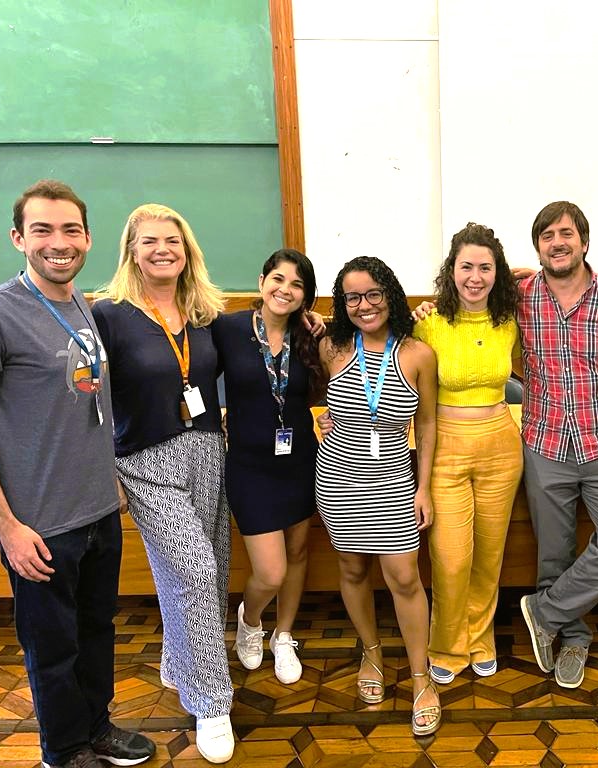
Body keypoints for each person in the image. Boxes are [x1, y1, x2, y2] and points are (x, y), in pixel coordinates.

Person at [0, 180, 156, 768]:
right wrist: (6, 526)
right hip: (38, 524)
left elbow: (88, 406)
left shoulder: (84, 309)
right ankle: (63, 751)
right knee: (52, 647)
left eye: (70, 230)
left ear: (88, 239)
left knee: (95, 634)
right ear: (19, 238)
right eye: (42, 230)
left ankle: (96, 729)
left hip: (96, 511)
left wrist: (111, 481)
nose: (58, 242)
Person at [92, 204, 235, 763]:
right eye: (149, 241)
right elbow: (89, 398)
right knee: (192, 571)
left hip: (205, 450)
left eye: (172, 240)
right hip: (145, 462)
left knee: (211, 569)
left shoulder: (205, 312)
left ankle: (180, 663)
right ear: (131, 248)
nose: (162, 250)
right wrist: (106, 468)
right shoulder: (109, 314)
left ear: (187, 248)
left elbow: (254, 351)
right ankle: (211, 701)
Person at [517, 201, 598, 689]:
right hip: (544, 441)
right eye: (547, 234)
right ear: (538, 247)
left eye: (566, 233)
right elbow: (464, 301)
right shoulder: (522, 296)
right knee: (554, 553)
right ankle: (572, 636)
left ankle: (544, 612)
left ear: (584, 241)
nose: (557, 242)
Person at [314, 256, 441, 737]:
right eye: (352, 297)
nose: (364, 305)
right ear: (342, 304)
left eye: (373, 294)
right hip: (338, 479)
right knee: (351, 568)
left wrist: (423, 487)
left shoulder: (417, 355)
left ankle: (421, 677)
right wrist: (323, 420)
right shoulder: (331, 347)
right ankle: (370, 653)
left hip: (393, 480)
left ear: (390, 294)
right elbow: (312, 400)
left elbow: (427, 425)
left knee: (403, 577)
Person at [412, 223, 523, 684]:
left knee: (489, 554)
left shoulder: (510, 320)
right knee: (452, 557)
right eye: (466, 267)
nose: (475, 276)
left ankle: (481, 639)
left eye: (485, 267)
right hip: (445, 451)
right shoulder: (428, 323)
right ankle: (447, 645)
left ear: (497, 273)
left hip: (501, 445)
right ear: (451, 271)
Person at [214, 249, 325, 685]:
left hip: (301, 460)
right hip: (248, 465)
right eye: (278, 279)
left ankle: (284, 634)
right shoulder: (227, 329)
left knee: (298, 553)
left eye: (297, 285)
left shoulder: (310, 335)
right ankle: (251, 618)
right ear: (262, 282)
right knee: (270, 570)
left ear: (306, 297)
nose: (285, 289)